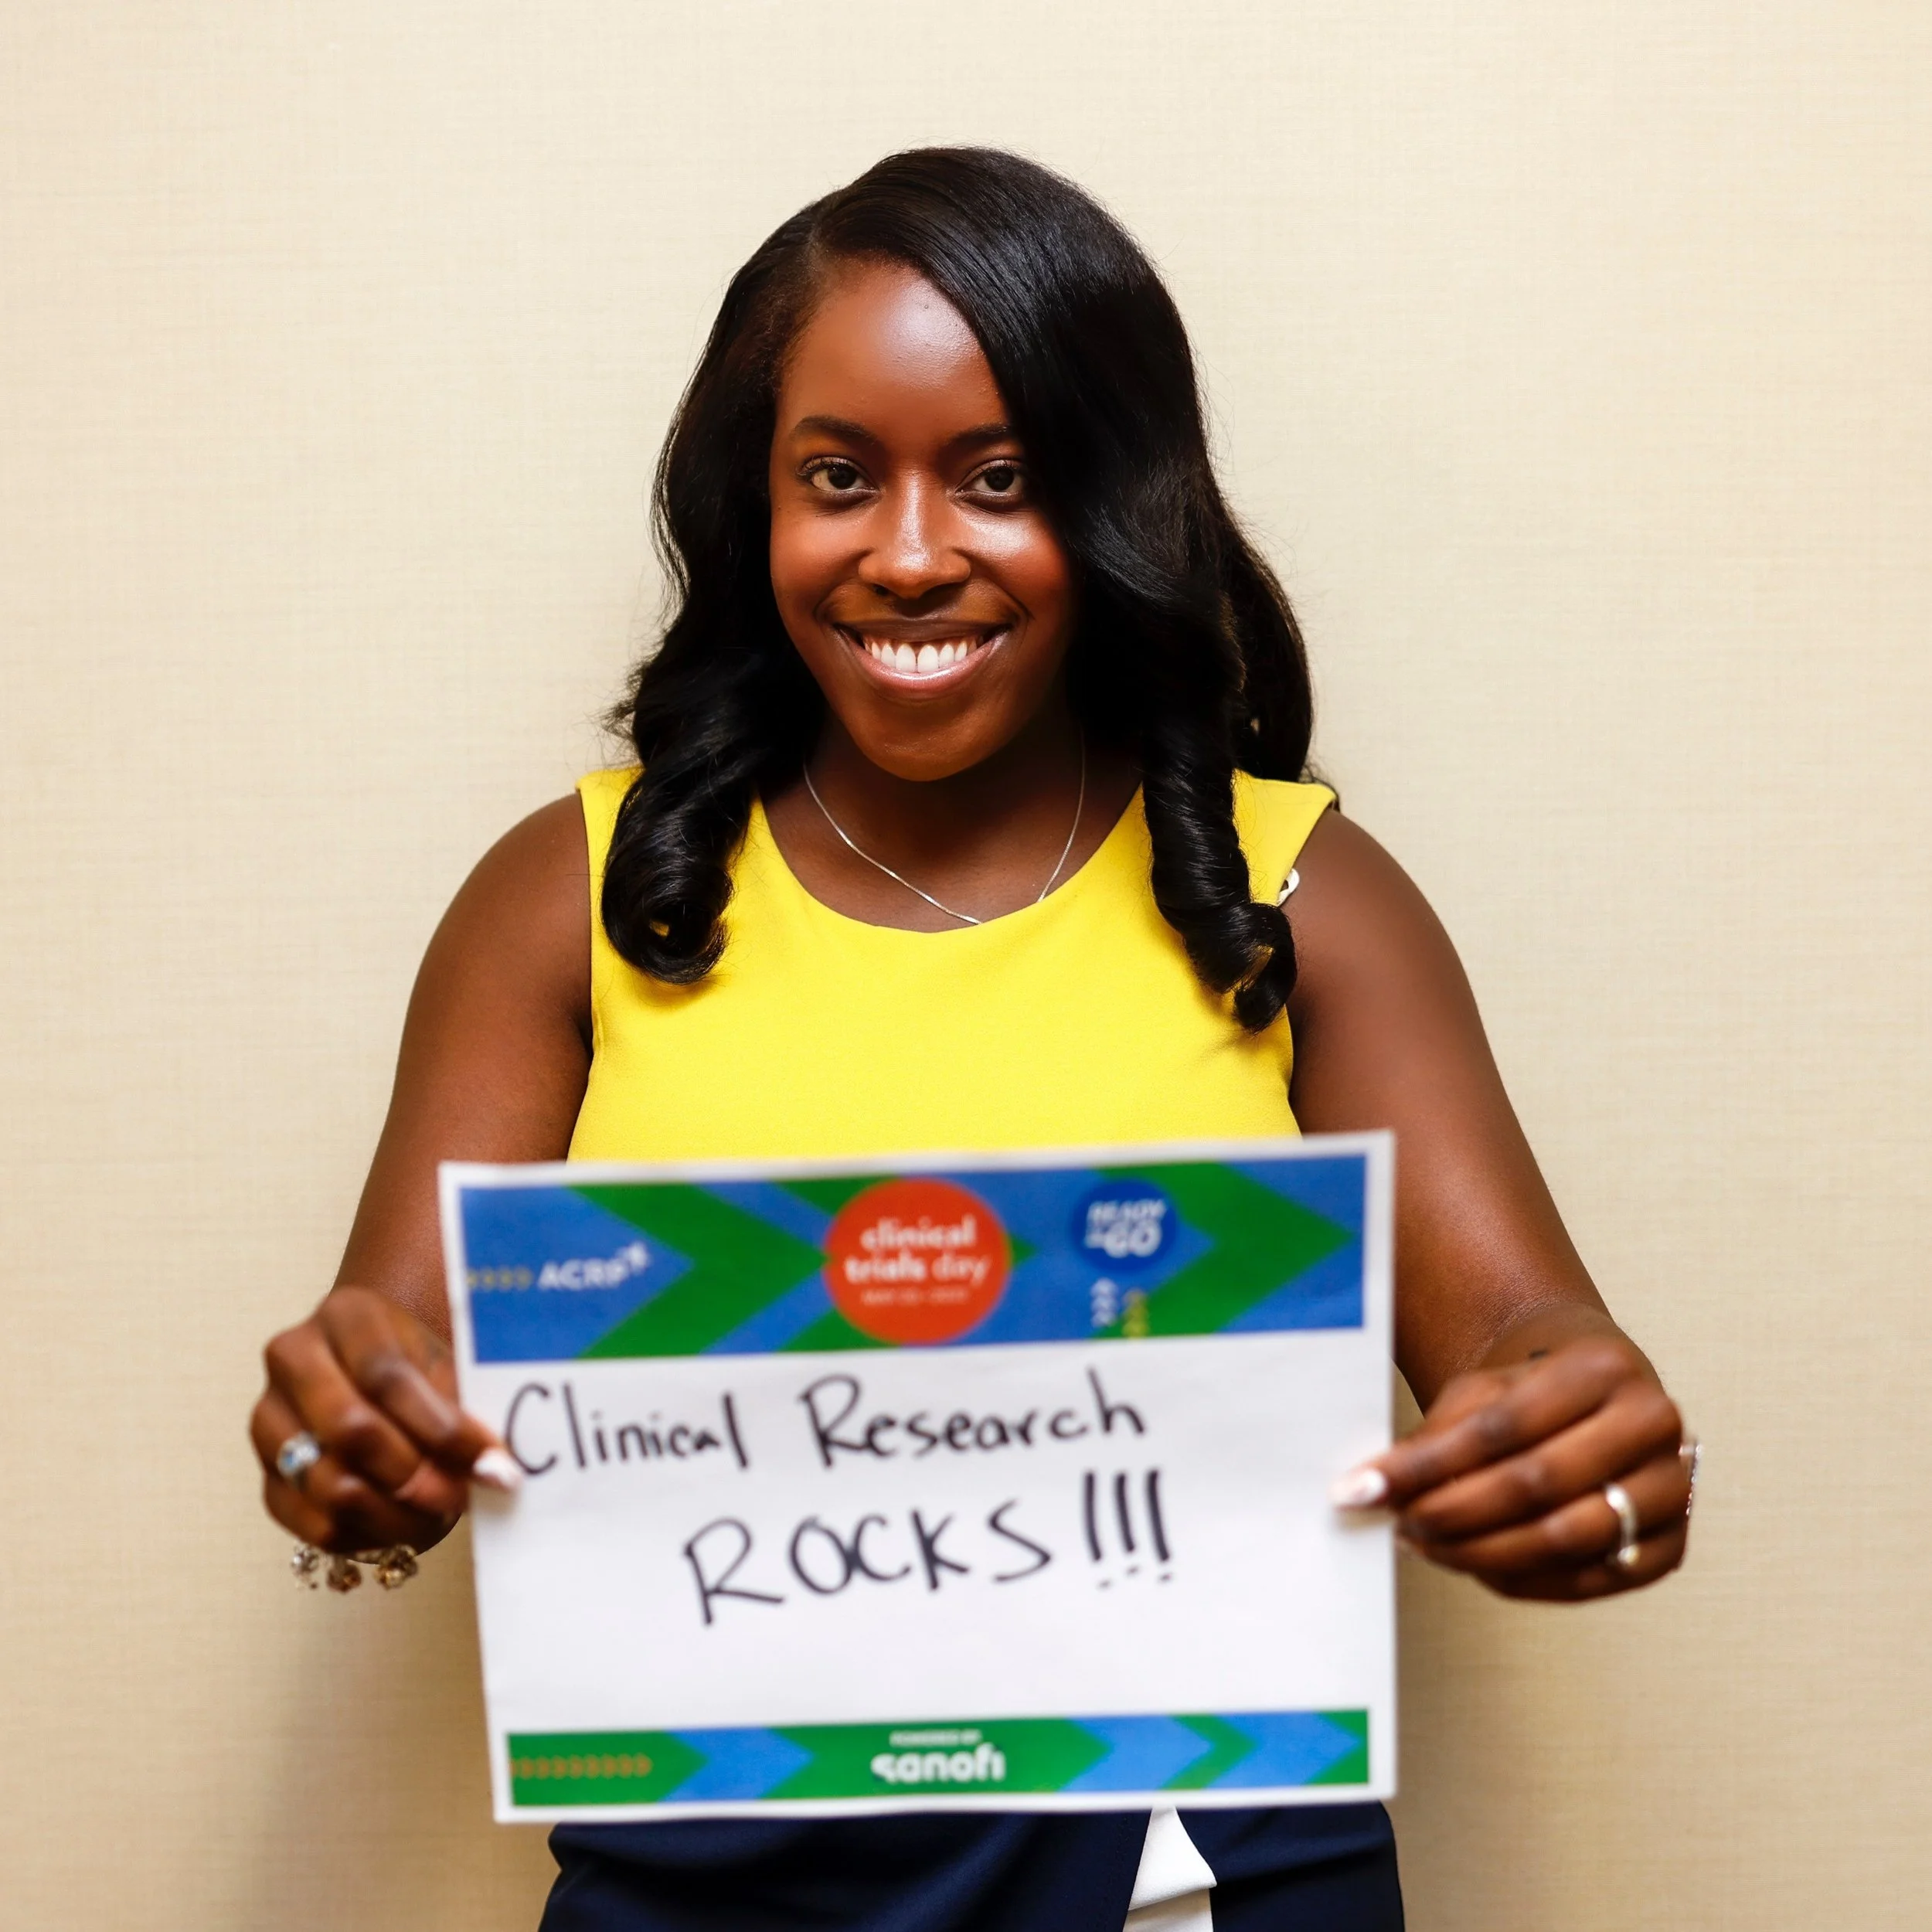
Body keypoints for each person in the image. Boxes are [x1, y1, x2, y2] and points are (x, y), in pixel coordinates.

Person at [249, 148, 1692, 1932]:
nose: (912, 551)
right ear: (751, 502)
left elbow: (1526, 1339)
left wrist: (1574, 1424)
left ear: (1110, 502)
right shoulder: (568, 895)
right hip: (702, 1883)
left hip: (1199, 1877)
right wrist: (344, 1438)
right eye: (837, 477)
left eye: (997, 480)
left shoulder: (1295, 894)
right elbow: (377, 1403)